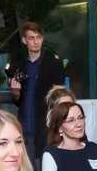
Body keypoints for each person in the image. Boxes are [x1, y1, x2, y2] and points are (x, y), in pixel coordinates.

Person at [7, 22, 66, 157]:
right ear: (24, 40)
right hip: (24, 125)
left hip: (45, 126)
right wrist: (16, 94)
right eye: (31, 38)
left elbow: (59, 95)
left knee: (43, 168)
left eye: (38, 37)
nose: (35, 41)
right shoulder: (18, 66)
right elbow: (18, 100)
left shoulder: (54, 64)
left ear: (42, 39)